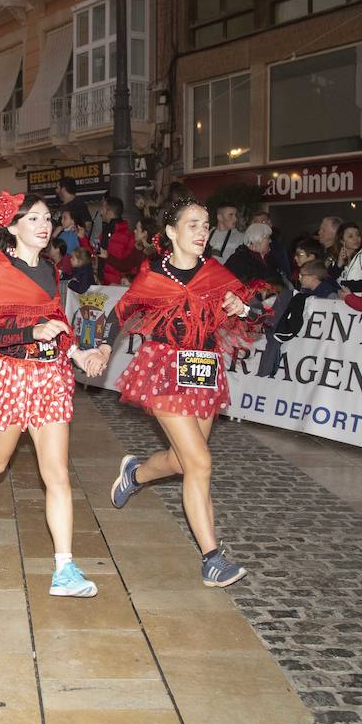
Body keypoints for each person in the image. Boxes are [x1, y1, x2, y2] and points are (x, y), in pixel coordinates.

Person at [0, 191, 109, 599]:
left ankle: (64, 568)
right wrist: (29, 332)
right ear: (13, 227)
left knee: (58, 475)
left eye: (47, 217)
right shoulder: (0, 269)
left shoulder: (51, 271)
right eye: (33, 218)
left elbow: (57, 322)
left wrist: (78, 352)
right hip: (10, 377)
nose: (43, 224)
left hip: (49, 379)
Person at [104, 197, 263, 588]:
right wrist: (104, 348)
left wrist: (241, 308)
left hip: (204, 370)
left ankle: (136, 473)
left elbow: (253, 309)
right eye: (193, 224)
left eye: (205, 225)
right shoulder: (153, 274)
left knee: (184, 461)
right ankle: (212, 559)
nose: (202, 232)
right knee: (201, 463)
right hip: (163, 370)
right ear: (172, 232)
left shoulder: (214, 271)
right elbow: (119, 314)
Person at [224, 222, 284, 287]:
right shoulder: (239, 259)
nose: (270, 241)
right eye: (268, 238)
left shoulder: (270, 257)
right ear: (258, 239)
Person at [96, 196, 135, 284]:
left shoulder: (127, 236)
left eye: (103, 209)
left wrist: (126, 280)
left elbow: (130, 264)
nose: (100, 212)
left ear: (109, 213)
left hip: (118, 286)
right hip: (103, 284)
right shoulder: (104, 233)